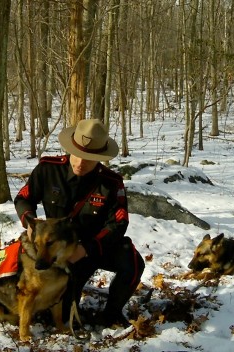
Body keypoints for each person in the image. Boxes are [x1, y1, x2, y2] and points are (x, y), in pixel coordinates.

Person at [14, 118, 145, 328]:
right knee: (62, 315)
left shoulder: (111, 183)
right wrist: (30, 222)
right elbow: (23, 198)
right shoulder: (48, 169)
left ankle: (111, 314)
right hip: (57, 250)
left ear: (100, 158)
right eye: (77, 156)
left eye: (88, 159)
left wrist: (86, 249)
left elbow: (118, 224)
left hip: (93, 247)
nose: (80, 163)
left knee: (133, 263)